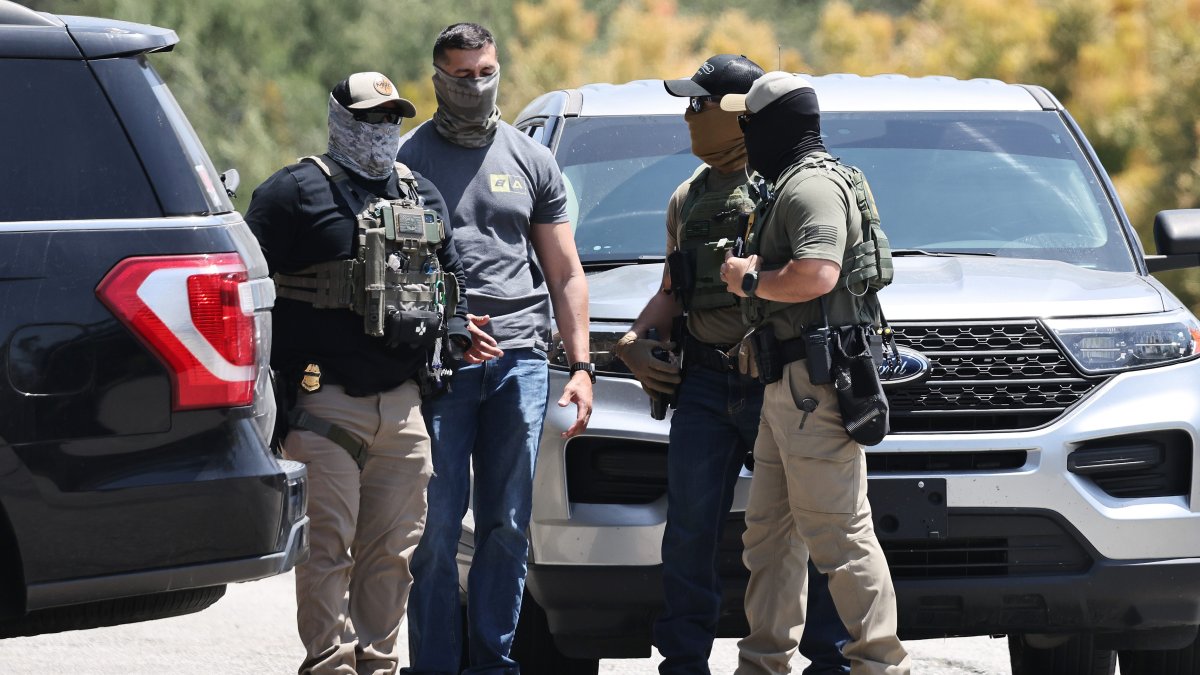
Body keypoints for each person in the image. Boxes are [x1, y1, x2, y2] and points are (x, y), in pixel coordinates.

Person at [614, 55, 851, 675]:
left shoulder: (785, 185)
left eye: (700, 103)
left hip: (778, 381)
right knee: (689, 530)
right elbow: (674, 289)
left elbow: (817, 276)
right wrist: (636, 338)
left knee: (811, 525)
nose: (690, 116)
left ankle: (831, 660)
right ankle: (683, 661)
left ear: (738, 111)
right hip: (703, 383)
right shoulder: (688, 196)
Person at [246, 71, 483, 675]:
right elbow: (244, 286)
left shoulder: (421, 195)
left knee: (393, 552)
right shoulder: (292, 193)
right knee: (327, 547)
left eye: (391, 118)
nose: (382, 130)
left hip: (403, 405)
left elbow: (451, 281)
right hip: (321, 400)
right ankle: (329, 663)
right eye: (369, 118)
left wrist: (456, 331)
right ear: (339, 119)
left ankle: (377, 662)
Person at [395, 23, 593, 675]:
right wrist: (446, 325)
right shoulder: (408, 162)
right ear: (438, 79)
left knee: (508, 523)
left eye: (485, 73)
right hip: (441, 368)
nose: (475, 87)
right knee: (435, 528)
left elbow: (565, 272)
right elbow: (393, 275)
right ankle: (433, 664)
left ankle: (493, 661)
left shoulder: (530, 158)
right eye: (461, 76)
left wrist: (582, 366)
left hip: (521, 363)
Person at [718, 72, 911, 674]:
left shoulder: (811, 187)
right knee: (769, 536)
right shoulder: (790, 183)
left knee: (839, 536)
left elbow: (818, 274)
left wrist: (748, 280)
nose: (743, 134)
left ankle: (880, 666)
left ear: (775, 125)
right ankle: (762, 664)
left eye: (749, 123)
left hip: (813, 387)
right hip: (787, 385)